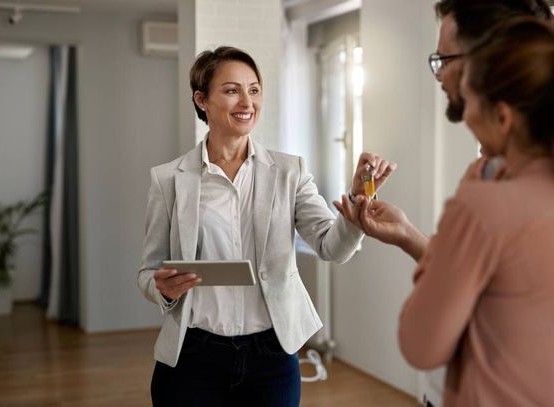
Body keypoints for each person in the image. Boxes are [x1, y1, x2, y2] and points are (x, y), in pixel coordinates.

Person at [346, 18, 554, 405]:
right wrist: (411, 236)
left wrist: (465, 202)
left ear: (502, 116)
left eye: (468, 94)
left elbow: (419, 345)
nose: (463, 115)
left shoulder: (483, 202)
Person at [137, 46, 396, 406]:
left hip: (271, 356)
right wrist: (161, 288)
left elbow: (331, 246)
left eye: (254, 89)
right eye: (231, 90)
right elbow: (149, 270)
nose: (247, 101)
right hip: (193, 355)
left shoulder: (291, 172)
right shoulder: (168, 179)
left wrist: (355, 202)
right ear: (202, 100)